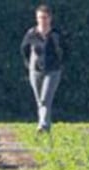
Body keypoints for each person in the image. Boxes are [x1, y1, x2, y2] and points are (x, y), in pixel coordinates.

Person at [21, 5, 66, 133]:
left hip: (52, 71)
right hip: (35, 71)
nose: (43, 20)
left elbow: (66, 50)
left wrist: (60, 64)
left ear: (50, 18)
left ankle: (43, 125)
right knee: (39, 99)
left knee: (45, 98)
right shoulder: (31, 34)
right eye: (40, 18)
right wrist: (28, 64)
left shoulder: (56, 34)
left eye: (45, 18)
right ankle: (46, 125)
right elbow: (24, 49)